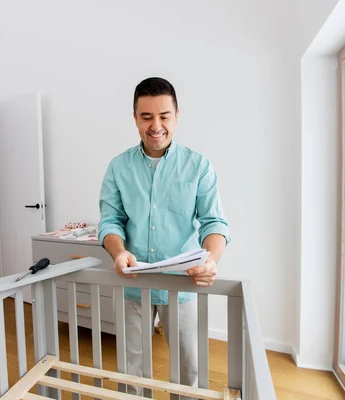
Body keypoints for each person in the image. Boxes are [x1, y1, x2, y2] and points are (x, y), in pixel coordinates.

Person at [97, 77, 230, 396]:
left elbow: (214, 223)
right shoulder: (118, 167)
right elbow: (110, 222)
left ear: (176, 116)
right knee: (131, 369)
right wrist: (118, 252)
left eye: (164, 116)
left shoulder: (199, 166)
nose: (155, 125)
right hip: (133, 284)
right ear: (135, 119)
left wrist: (210, 261)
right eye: (146, 117)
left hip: (182, 285)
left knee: (189, 369)